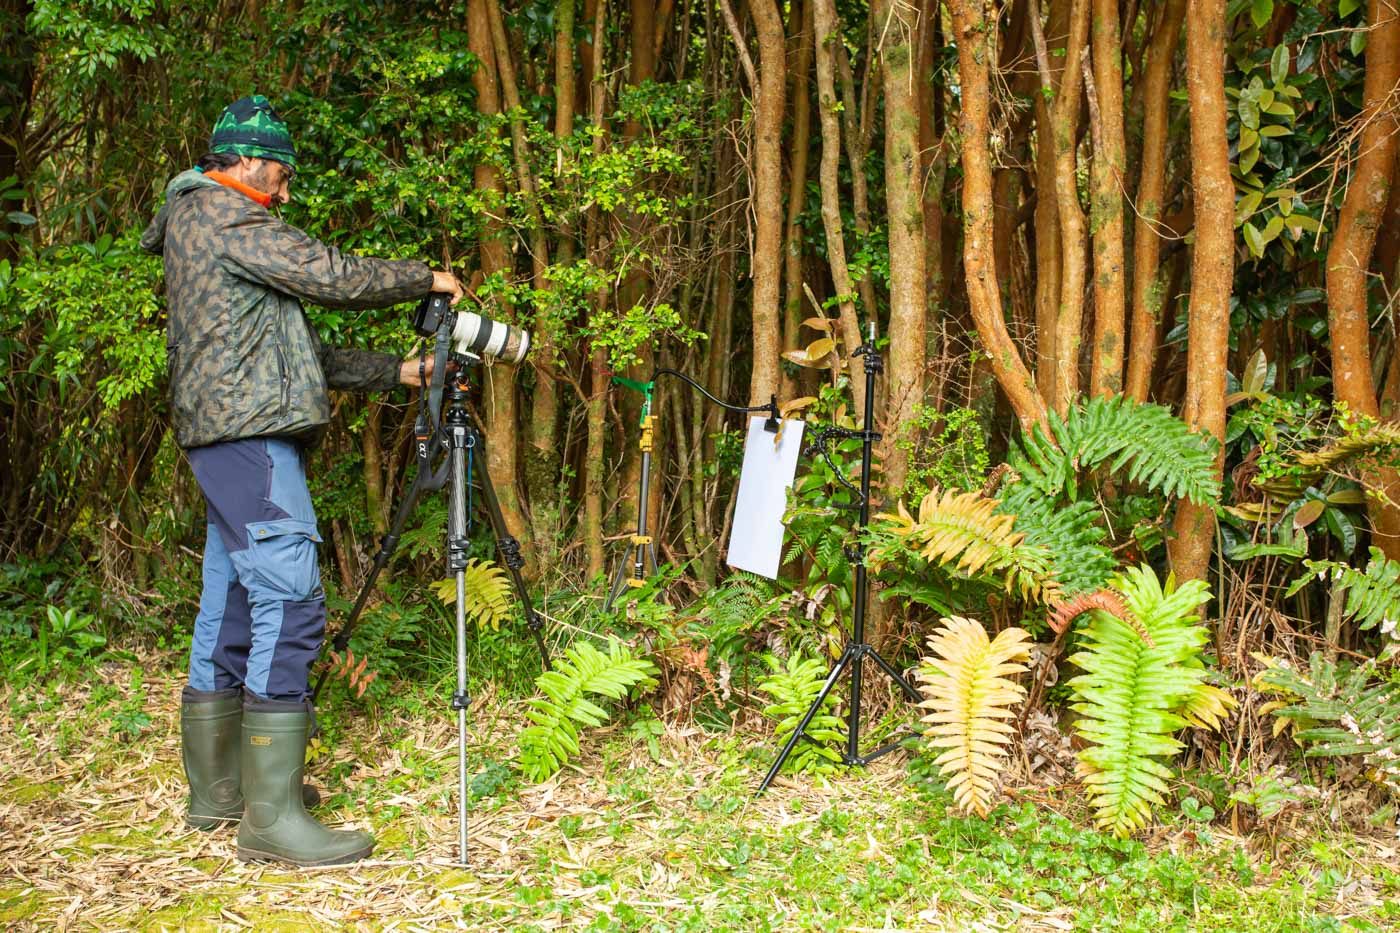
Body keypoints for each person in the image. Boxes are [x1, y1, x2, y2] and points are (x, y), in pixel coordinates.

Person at [141, 94, 461, 867]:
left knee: (236, 600)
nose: (285, 192)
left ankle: (224, 789)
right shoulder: (222, 213)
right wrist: (429, 277)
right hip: (249, 442)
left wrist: (400, 370)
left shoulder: (216, 229)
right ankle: (271, 819)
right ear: (246, 161)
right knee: (291, 599)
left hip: (229, 438)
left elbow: (298, 358)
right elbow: (329, 273)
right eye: (281, 176)